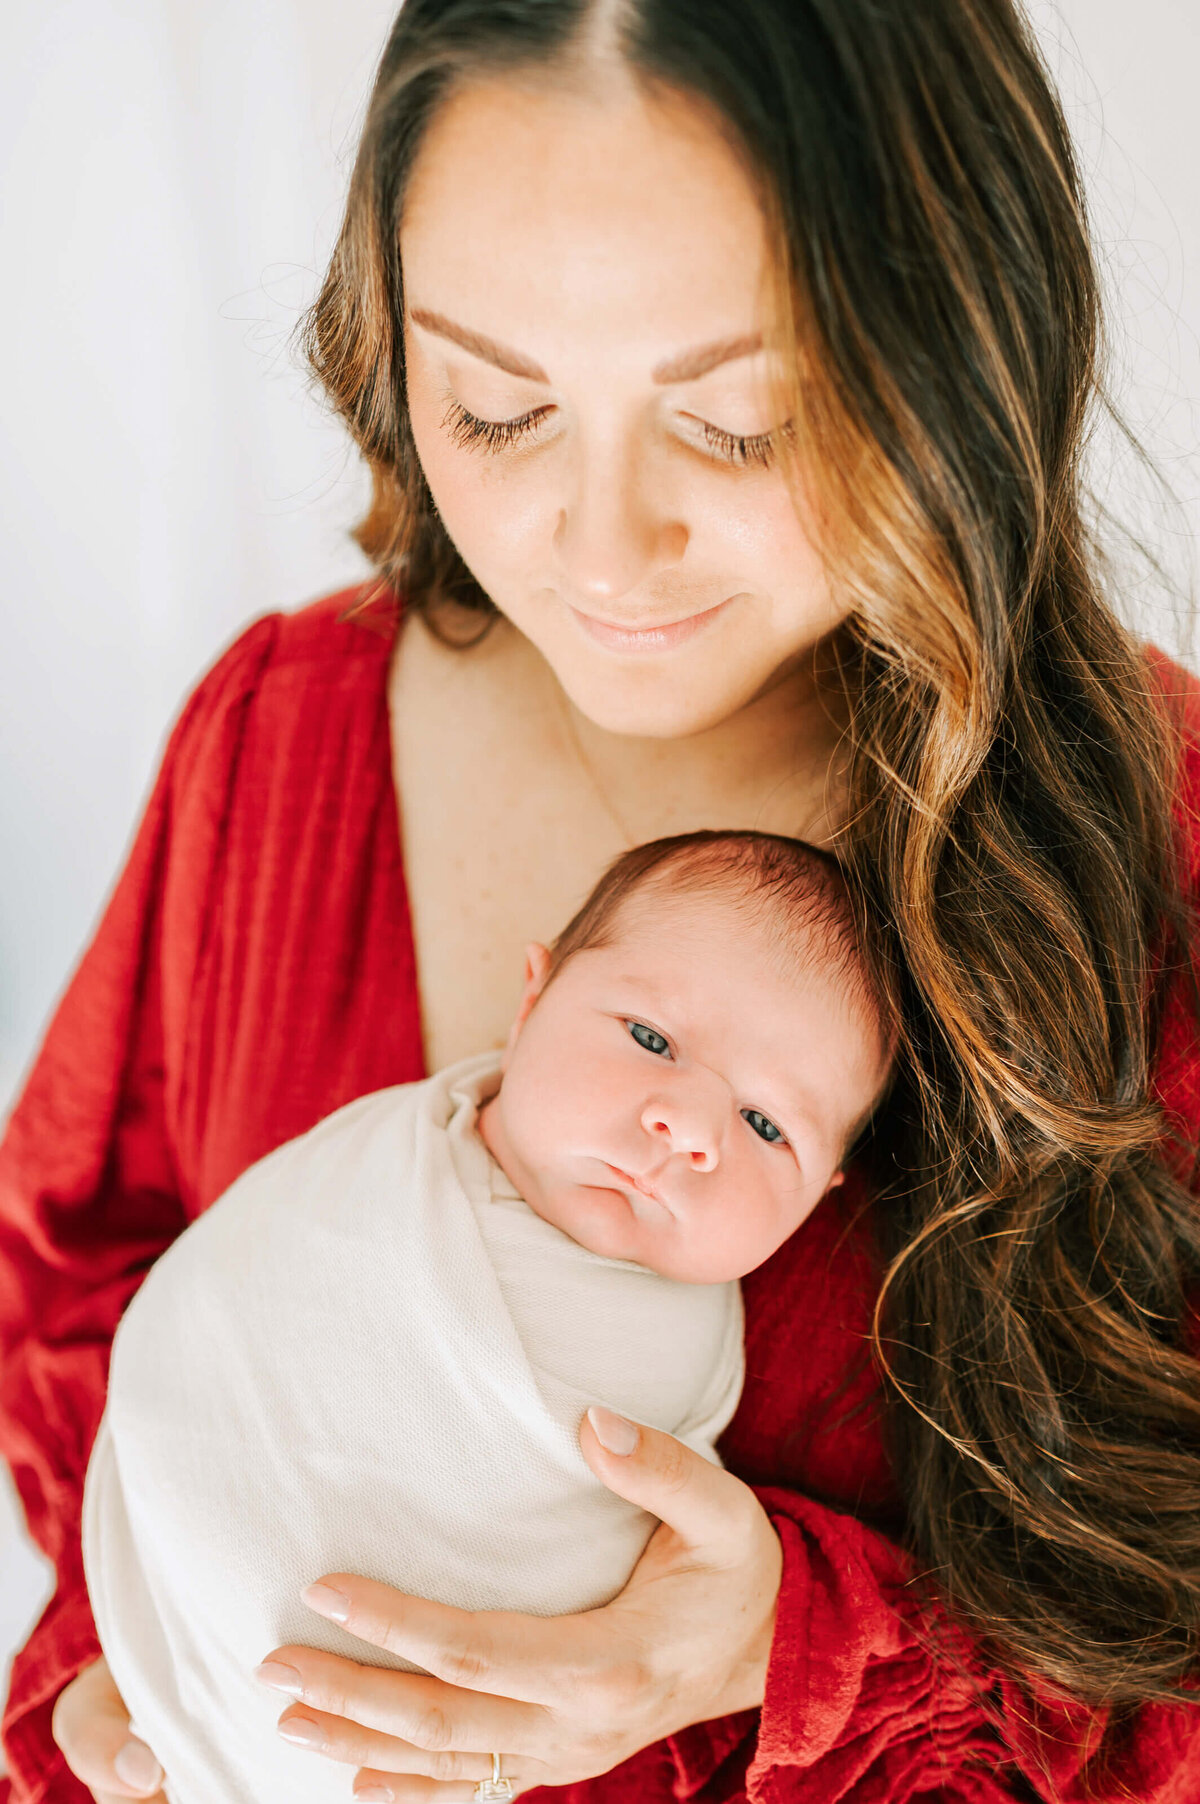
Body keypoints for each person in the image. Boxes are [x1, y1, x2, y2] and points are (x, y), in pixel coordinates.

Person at [2, 0, 1199, 1800]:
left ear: (955, 352)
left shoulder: (1158, 849)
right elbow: (79, 1297)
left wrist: (777, 1650)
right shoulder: (280, 739)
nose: (596, 546)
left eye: (736, 424)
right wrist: (135, 1671)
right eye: (494, 403)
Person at [81, 830, 892, 1804]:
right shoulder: (393, 1158)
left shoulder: (682, 1360)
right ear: (532, 998)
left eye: (768, 1125)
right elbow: (188, 1285)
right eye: (650, 1038)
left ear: (822, 1195)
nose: (690, 1127)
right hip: (146, 1637)